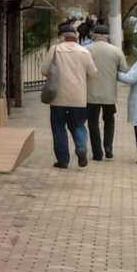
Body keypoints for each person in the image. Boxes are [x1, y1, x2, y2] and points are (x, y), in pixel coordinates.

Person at [43, 26, 96, 169]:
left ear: (62, 37)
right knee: (78, 126)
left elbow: (44, 70)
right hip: (78, 99)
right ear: (76, 37)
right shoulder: (84, 52)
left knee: (59, 128)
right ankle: (81, 148)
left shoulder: (55, 50)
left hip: (58, 98)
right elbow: (93, 73)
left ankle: (63, 161)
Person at [82, 25, 124, 161]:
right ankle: (108, 147)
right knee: (109, 121)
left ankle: (97, 152)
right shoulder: (116, 51)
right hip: (109, 94)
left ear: (95, 34)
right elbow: (124, 68)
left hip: (91, 94)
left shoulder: (86, 50)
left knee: (93, 123)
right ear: (107, 36)